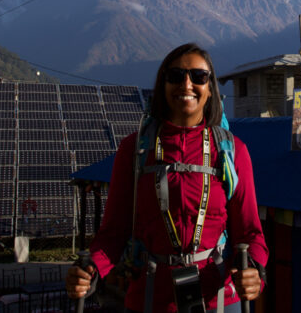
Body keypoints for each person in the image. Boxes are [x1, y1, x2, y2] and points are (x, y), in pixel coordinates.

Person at [67, 43, 268, 313]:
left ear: (210, 89)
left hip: (218, 298)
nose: (186, 84)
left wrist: (254, 269)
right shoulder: (135, 150)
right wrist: (90, 270)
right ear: (162, 85)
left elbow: (250, 232)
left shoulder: (231, 151)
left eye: (199, 77)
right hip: (150, 298)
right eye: (175, 76)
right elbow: (113, 233)